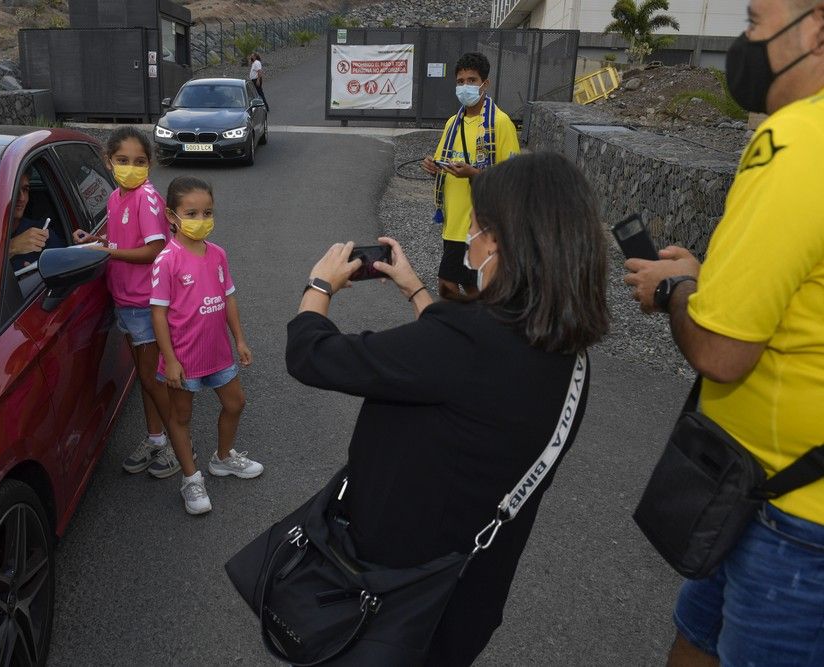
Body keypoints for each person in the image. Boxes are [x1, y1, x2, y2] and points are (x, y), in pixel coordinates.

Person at [286, 152, 609, 665]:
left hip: (385, 593)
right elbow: (459, 368)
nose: (469, 240)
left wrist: (319, 286)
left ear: (501, 242)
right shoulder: (569, 354)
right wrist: (414, 287)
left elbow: (311, 356)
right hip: (464, 597)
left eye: (476, 227)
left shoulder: (464, 342)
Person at [623, 1, 824, 664]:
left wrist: (673, 290)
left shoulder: (797, 141)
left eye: (754, 23)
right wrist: (710, 277)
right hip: (762, 490)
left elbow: (720, 350)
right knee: (697, 631)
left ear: (816, 27)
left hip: (791, 517)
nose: (742, 44)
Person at [150, 176, 262, 515]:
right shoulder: (167, 259)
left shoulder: (218, 254)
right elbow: (158, 314)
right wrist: (169, 359)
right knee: (180, 417)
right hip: (183, 359)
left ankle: (223, 458)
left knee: (235, 403)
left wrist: (239, 339)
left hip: (218, 354)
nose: (201, 221)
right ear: (172, 216)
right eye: (192, 213)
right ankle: (191, 478)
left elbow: (228, 299)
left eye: (207, 213)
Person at [78, 126, 176, 478]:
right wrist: (98, 239)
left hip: (146, 302)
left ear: (149, 165)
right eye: (122, 160)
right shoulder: (116, 196)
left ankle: (181, 446)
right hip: (127, 301)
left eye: (139, 161)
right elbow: (120, 236)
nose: (130, 167)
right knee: (146, 379)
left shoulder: (146, 198)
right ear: (108, 162)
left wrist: (106, 250)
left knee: (153, 380)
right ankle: (155, 439)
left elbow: (154, 249)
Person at [422, 51, 520, 298]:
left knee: (447, 283)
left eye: (472, 80)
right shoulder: (452, 123)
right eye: (460, 81)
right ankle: (482, 329)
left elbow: (512, 179)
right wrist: (435, 169)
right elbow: (444, 169)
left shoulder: (500, 123)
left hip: (479, 223)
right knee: (473, 286)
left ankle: (459, 331)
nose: (465, 86)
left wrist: (473, 173)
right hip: (453, 222)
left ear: (485, 84)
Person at [9, 171, 64, 270]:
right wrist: (11, 248)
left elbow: (65, 265)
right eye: (14, 190)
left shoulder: (41, 234)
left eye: (25, 190)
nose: (21, 198)